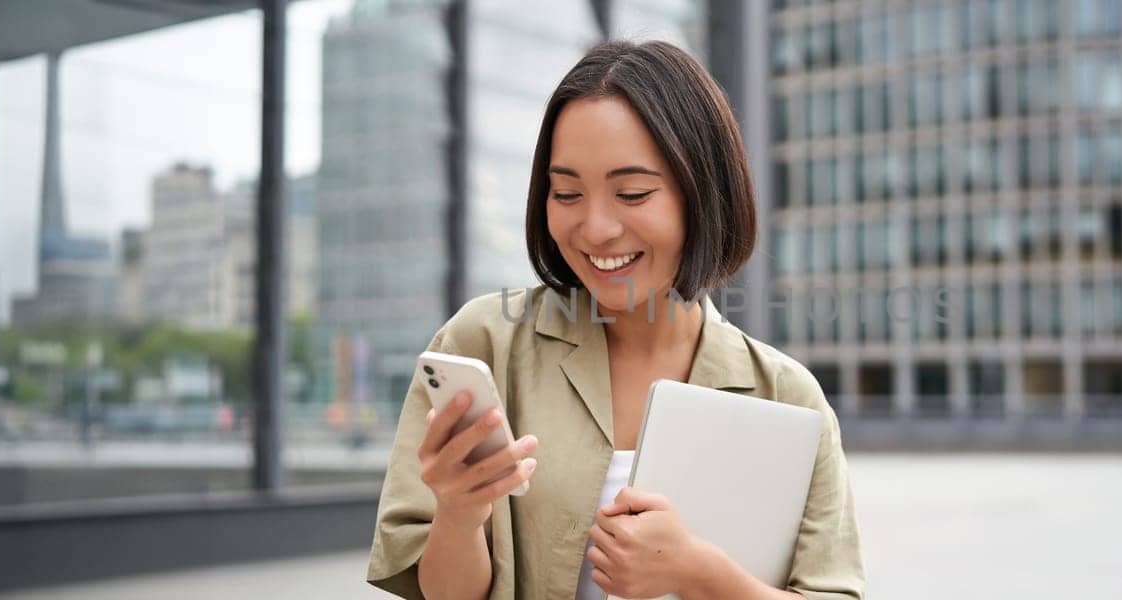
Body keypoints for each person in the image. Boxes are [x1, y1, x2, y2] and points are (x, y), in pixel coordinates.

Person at [365, 40, 864, 600]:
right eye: (567, 192)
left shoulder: (787, 397)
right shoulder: (483, 344)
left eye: (632, 193)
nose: (596, 229)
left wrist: (698, 572)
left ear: (703, 194)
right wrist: (458, 513)